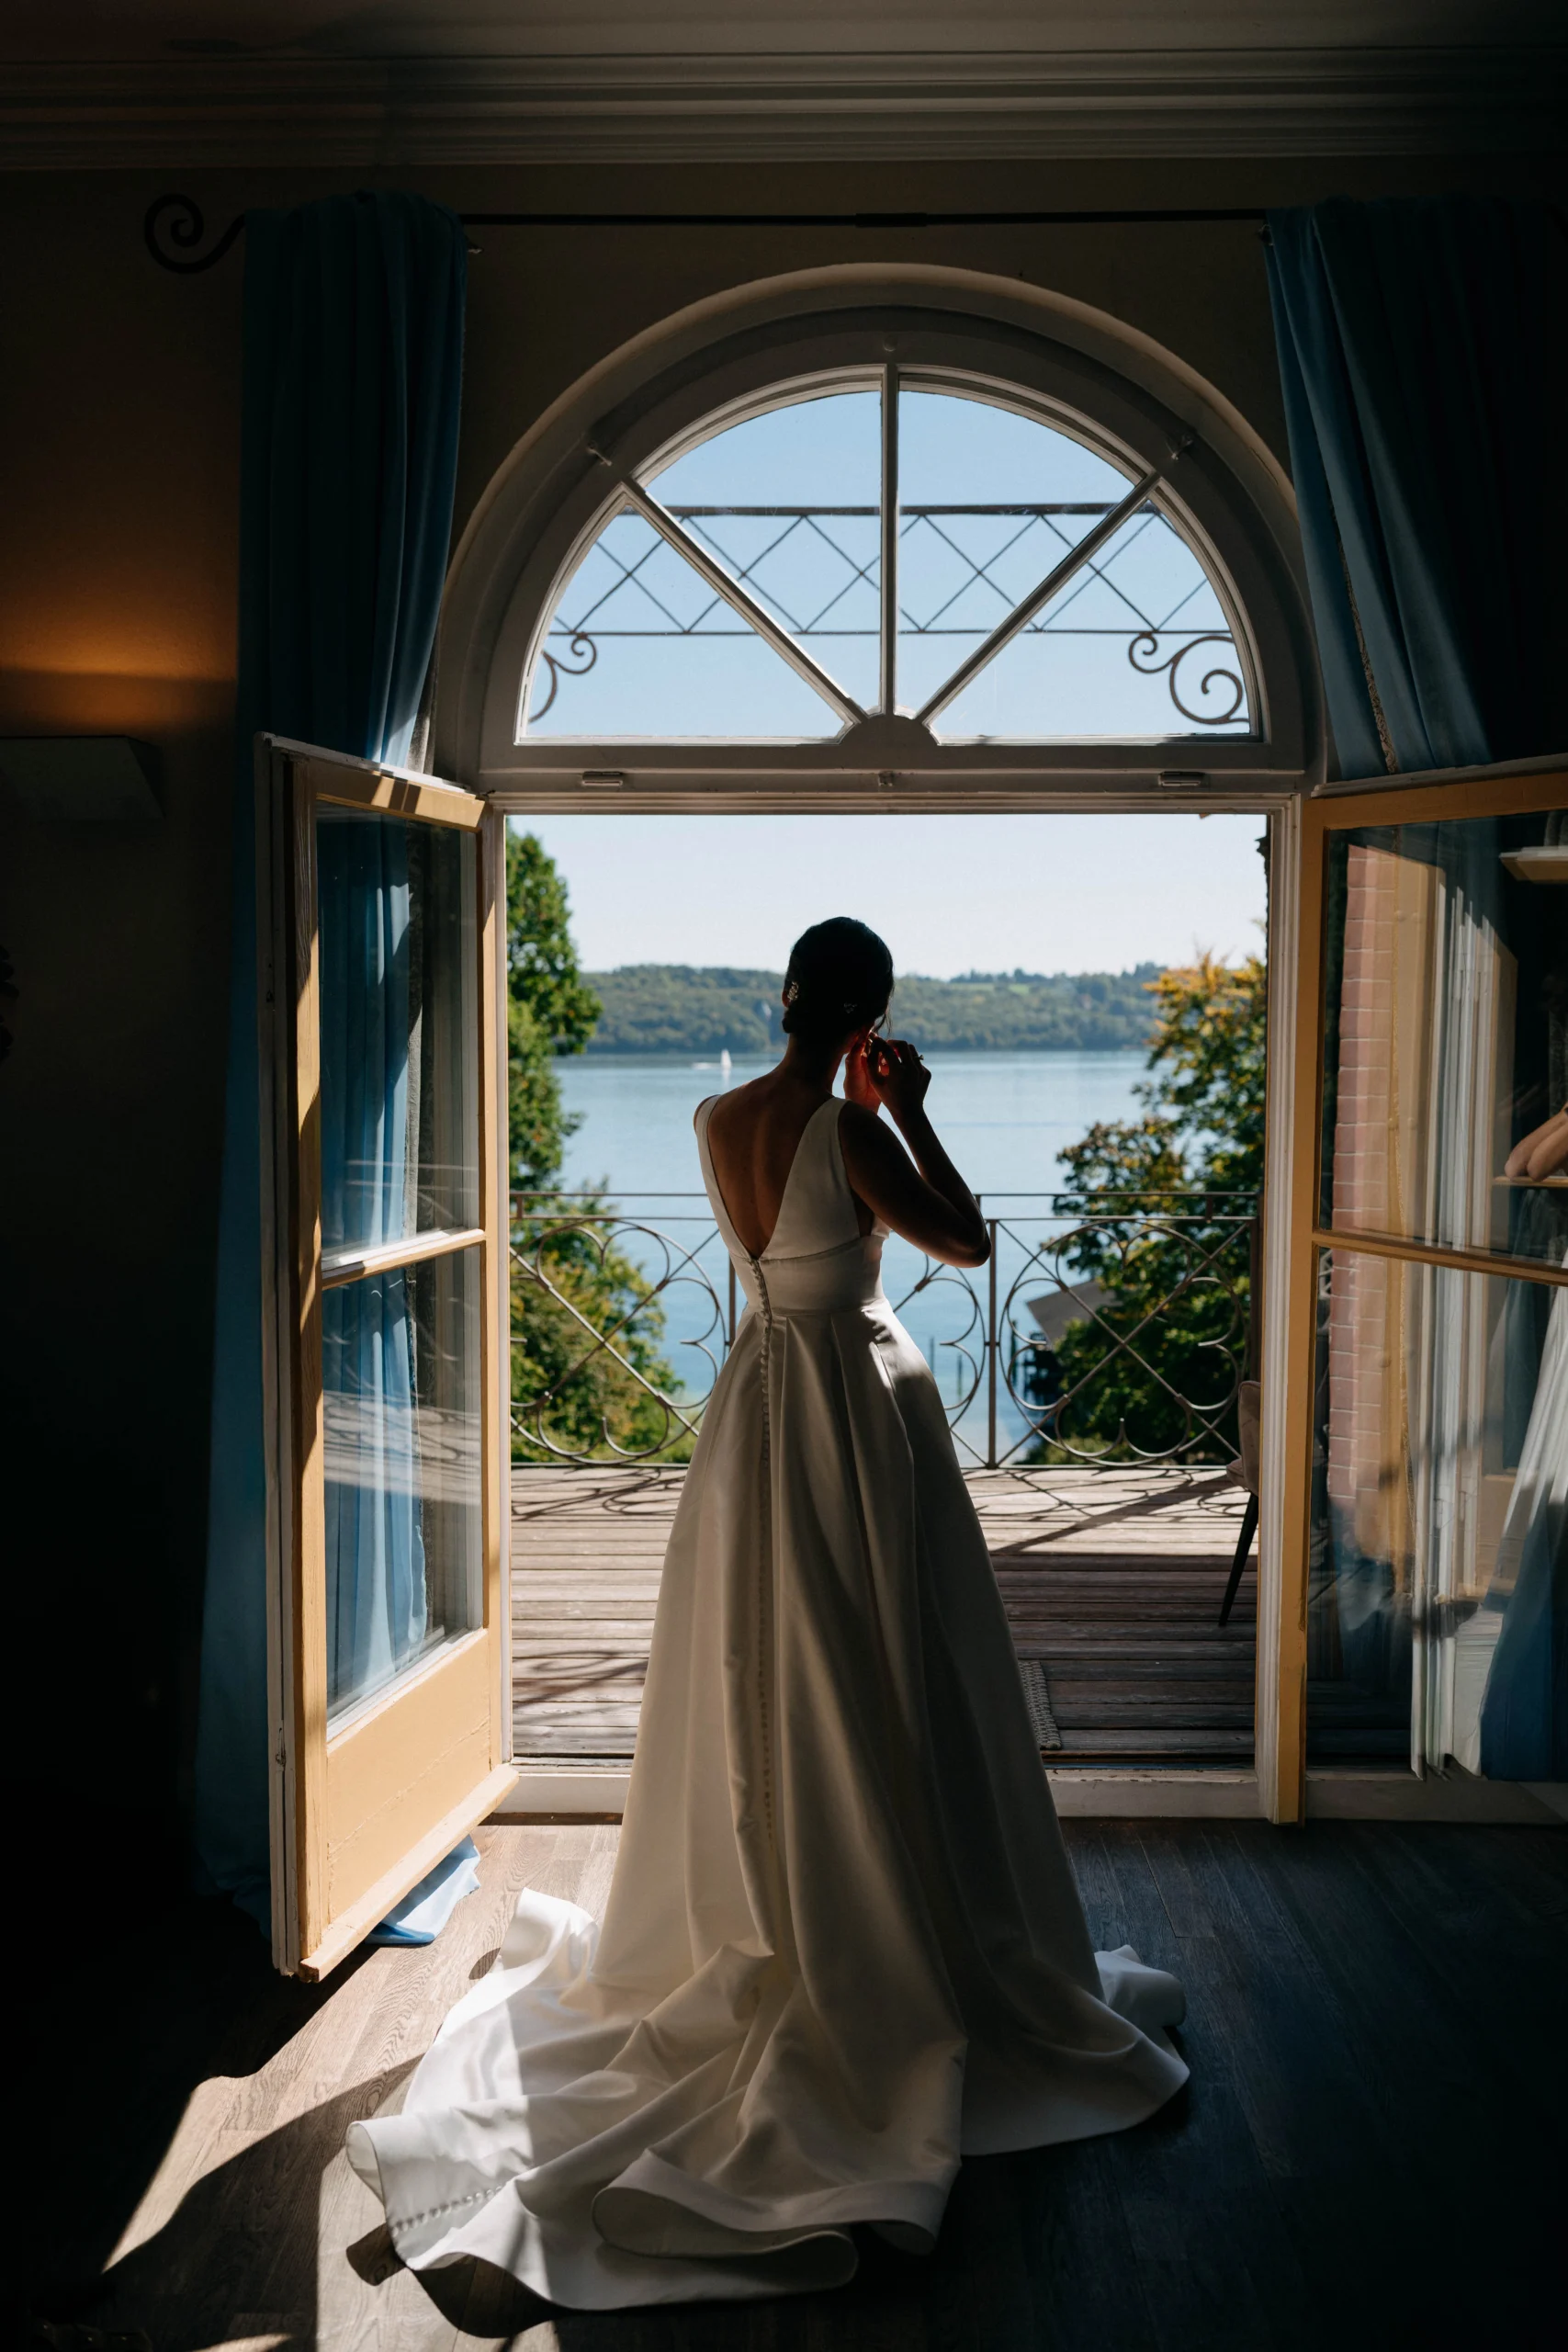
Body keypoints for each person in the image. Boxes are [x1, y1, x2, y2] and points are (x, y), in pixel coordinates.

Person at [347, 917, 1187, 2310]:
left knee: (767, 1657)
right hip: (853, 1404)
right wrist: (908, 1112)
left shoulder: (713, 1115)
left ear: (786, 994)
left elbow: (773, 1252)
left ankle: (780, 1885)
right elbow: (969, 1244)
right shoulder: (849, 1131)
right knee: (880, 1656)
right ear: (869, 1020)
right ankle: (881, 1911)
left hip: (756, 1397)